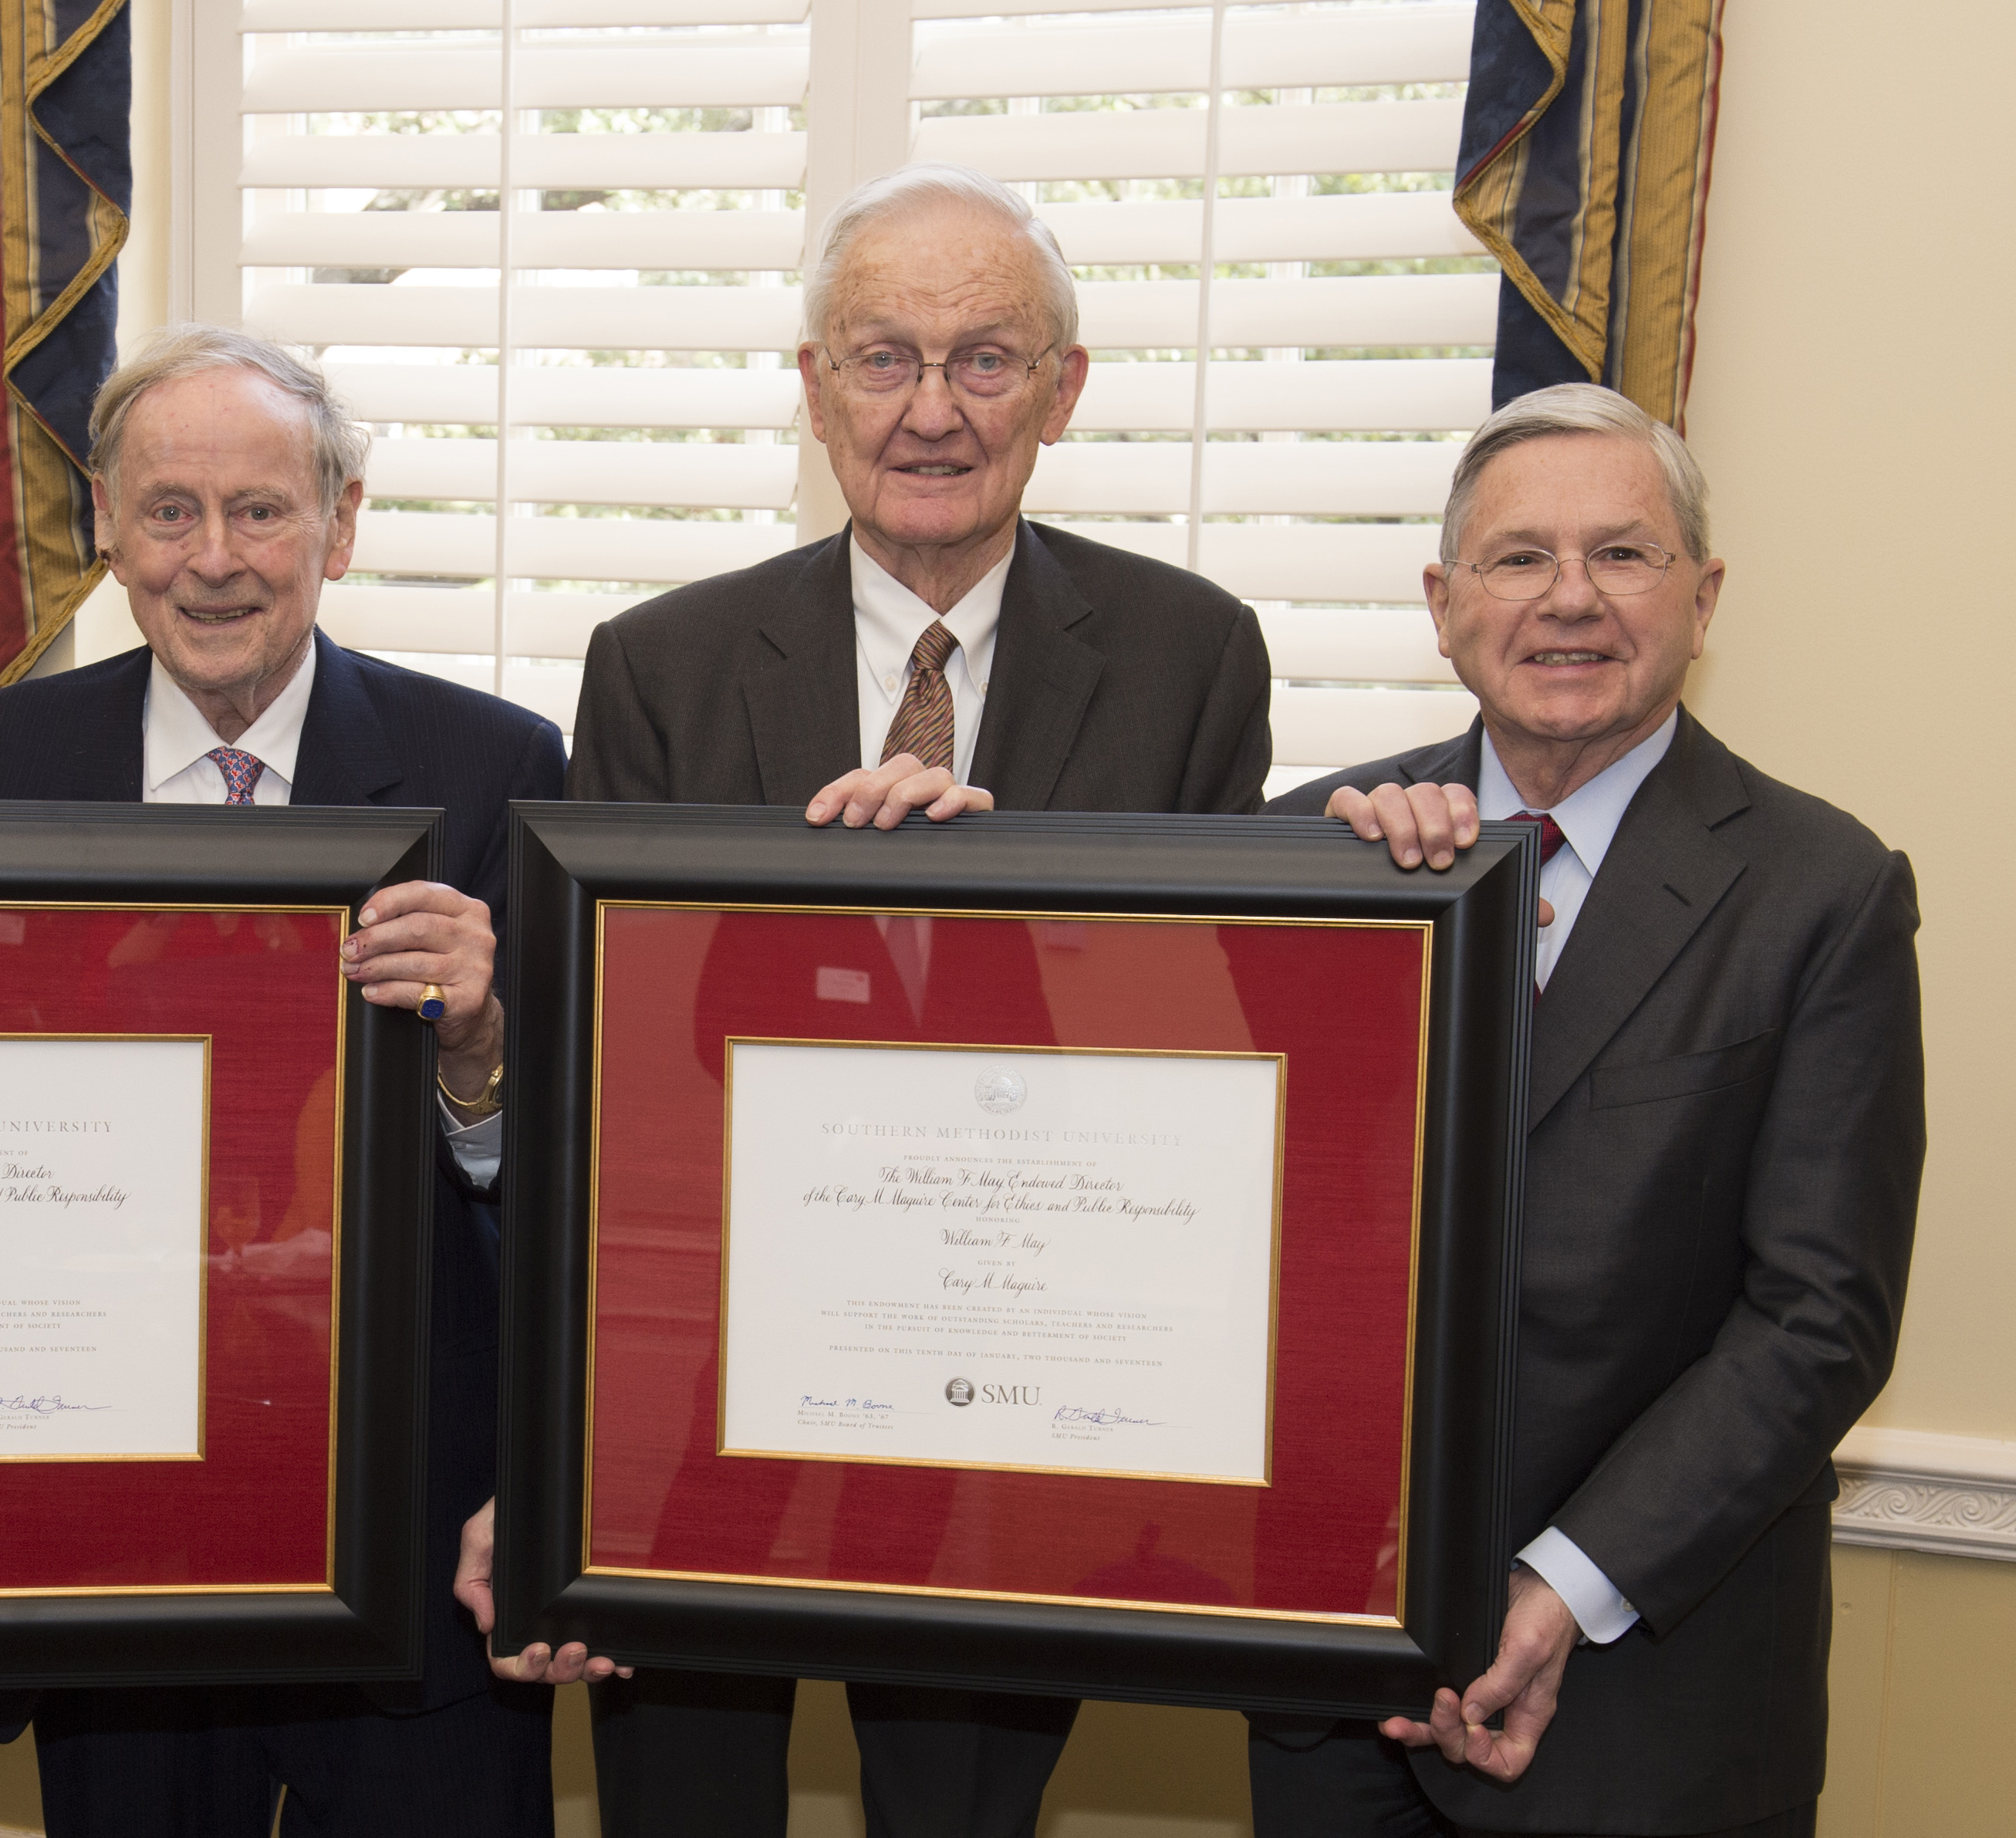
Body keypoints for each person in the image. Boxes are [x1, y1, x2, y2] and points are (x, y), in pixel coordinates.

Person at [464, 159, 1277, 1838]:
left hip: (1022, 1381)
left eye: (983, 359)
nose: (930, 410)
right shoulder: (659, 665)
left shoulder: (1193, 653)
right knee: (681, 1802)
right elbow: (616, 1077)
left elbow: (1203, 1050)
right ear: (813, 391)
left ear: (1060, 392)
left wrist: (997, 933)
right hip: (702, 1386)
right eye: (880, 357)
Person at [0, 323, 570, 1837]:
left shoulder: (499, 770)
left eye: (260, 510)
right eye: (168, 511)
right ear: (108, 534)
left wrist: (479, 1052)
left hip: (411, 1550)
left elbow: (568, 1199)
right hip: (105, 1539)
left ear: (338, 524)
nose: (215, 559)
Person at [1258, 382, 1922, 1836]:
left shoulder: (1823, 892)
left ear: (1703, 594)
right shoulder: (1311, 850)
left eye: (1623, 554)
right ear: (1443, 603)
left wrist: (1562, 1585)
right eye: (1517, 559)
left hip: (1648, 1709)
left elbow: (1820, 1316)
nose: (1571, 600)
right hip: (1328, 1688)